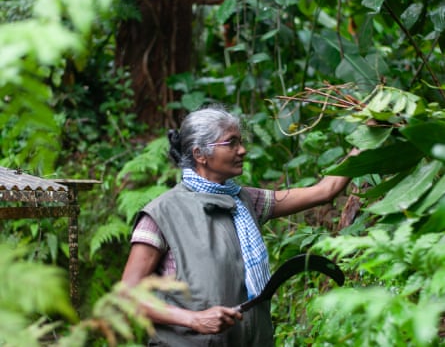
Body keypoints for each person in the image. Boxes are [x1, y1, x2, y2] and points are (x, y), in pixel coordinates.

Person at [121, 103, 358, 346]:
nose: (242, 150)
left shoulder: (246, 201)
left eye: (240, 141)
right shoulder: (162, 213)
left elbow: (324, 191)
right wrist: (193, 319)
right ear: (200, 154)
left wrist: (364, 140)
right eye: (231, 142)